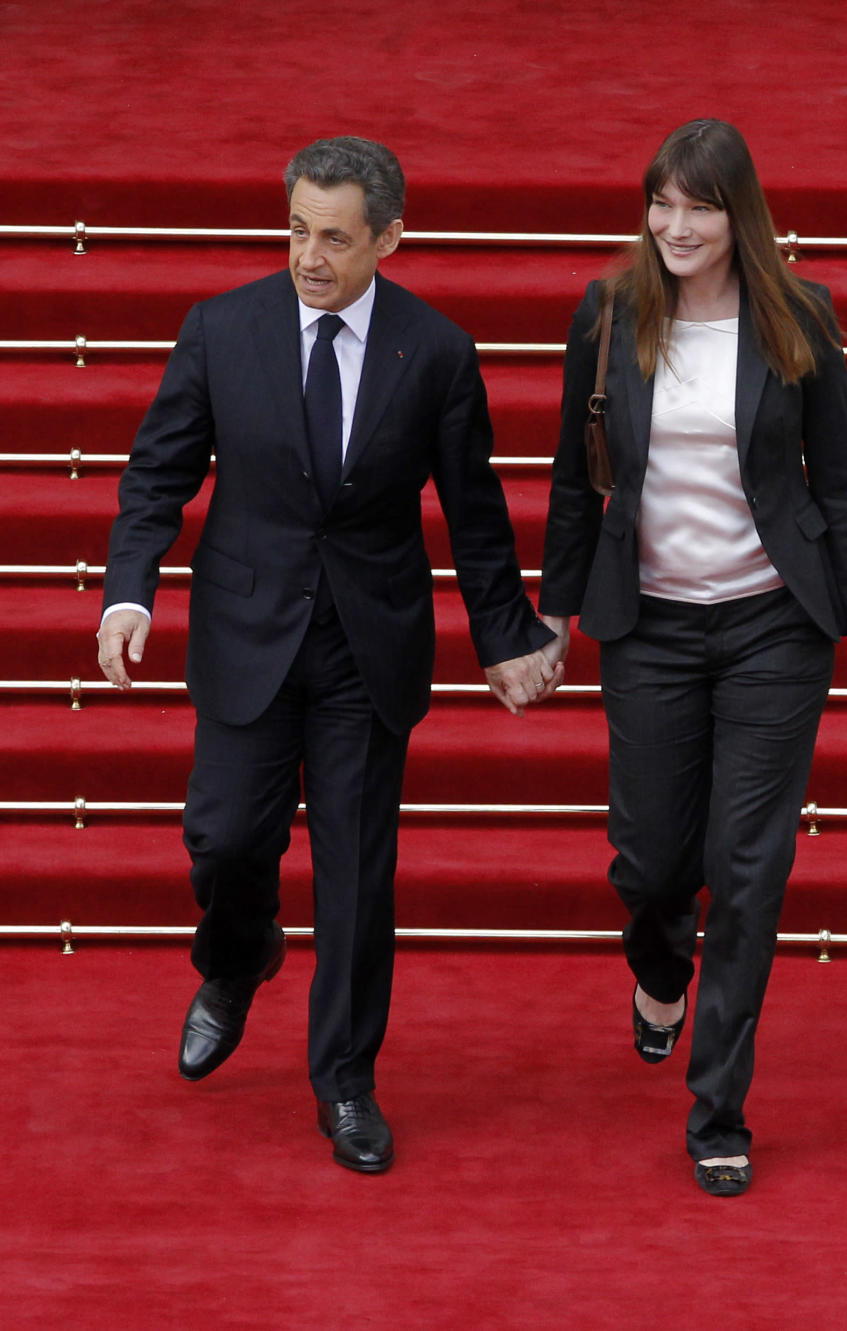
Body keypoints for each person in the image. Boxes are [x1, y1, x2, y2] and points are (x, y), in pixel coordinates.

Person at [97, 136, 562, 1174]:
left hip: (368, 643)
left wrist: (506, 637)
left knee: (355, 874)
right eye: (298, 228)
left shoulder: (435, 351)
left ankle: (346, 1078)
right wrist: (130, 591)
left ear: (388, 239)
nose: (310, 254)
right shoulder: (223, 328)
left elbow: (474, 511)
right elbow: (155, 472)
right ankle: (236, 955)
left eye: (335, 238)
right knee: (222, 840)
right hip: (245, 629)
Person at [539, 119, 847, 1196]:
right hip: (647, 623)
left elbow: (839, 483)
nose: (676, 225)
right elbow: (571, 477)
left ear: (739, 212)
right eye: (661, 203)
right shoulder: (610, 313)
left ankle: (718, 1110)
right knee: (650, 861)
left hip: (771, 627)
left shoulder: (799, 315)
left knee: (749, 872)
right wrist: (553, 620)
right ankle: (659, 973)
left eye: (698, 206)